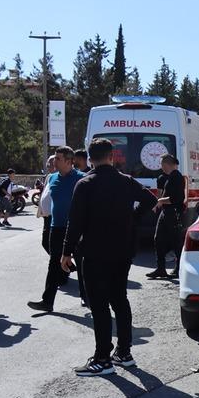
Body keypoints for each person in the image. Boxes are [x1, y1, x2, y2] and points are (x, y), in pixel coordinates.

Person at [62, 138, 158, 376]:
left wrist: (66, 251)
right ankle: (124, 353)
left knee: (99, 305)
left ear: (89, 158)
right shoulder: (125, 181)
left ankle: (102, 358)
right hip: (123, 250)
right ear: (111, 156)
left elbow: (75, 222)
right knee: (119, 299)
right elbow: (151, 200)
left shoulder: (85, 184)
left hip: (95, 251)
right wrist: (133, 218)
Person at [27, 147, 86, 312]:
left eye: (58, 158)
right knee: (54, 263)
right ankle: (47, 302)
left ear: (69, 161)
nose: (54, 161)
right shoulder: (51, 177)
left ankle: (86, 296)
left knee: (82, 262)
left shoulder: (82, 179)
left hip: (77, 228)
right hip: (56, 227)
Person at [146, 154, 186, 279]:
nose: (162, 168)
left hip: (173, 213)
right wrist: (160, 203)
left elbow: (177, 198)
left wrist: (161, 201)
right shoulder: (169, 177)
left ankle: (179, 268)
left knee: (176, 242)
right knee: (158, 239)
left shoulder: (177, 177)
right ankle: (161, 268)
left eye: (163, 165)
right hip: (166, 212)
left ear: (168, 164)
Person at [37, 156, 57, 255]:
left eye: (50, 165)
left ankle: (60, 264)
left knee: (50, 243)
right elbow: (45, 192)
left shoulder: (61, 177)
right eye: (47, 165)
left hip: (54, 216)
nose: (48, 167)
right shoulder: (49, 176)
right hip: (46, 216)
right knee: (45, 243)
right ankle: (61, 264)